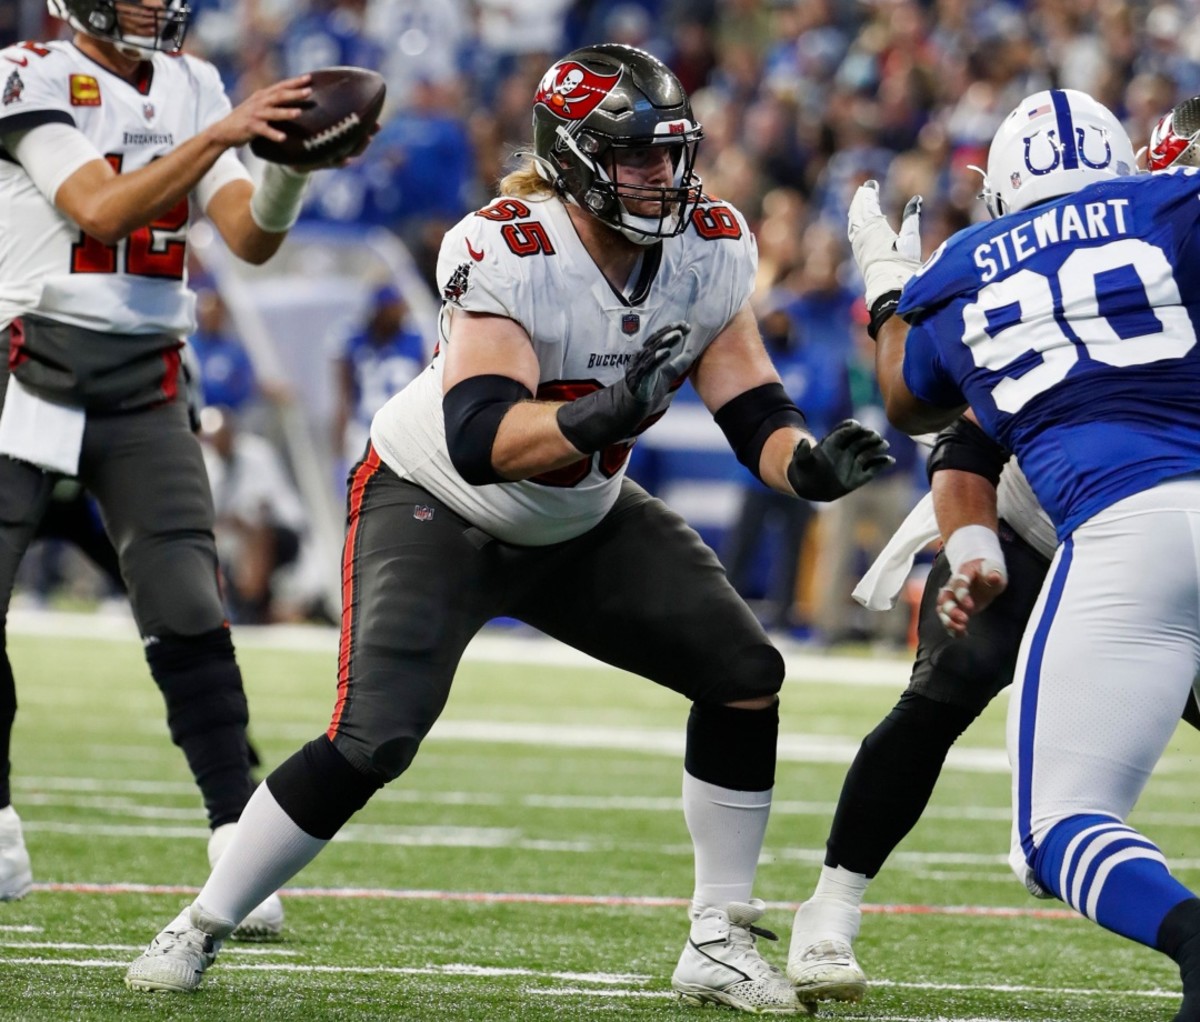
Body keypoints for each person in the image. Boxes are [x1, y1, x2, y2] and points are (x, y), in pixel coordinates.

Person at [124, 43, 893, 1012]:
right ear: (573, 156)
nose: (663, 176)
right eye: (636, 156)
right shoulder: (506, 245)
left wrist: (806, 464)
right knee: (373, 739)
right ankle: (201, 920)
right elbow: (484, 437)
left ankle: (716, 936)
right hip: (436, 501)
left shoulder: (709, 240)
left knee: (744, 675)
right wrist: (608, 411)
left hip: (580, 514)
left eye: (670, 153)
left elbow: (751, 407)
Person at [0, 0, 371, 930]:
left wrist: (288, 167)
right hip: (20, 363)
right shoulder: (27, 71)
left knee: (188, 603)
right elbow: (96, 205)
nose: (158, 3)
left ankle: (236, 840)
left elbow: (248, 236)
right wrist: (224, 135)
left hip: (144, 373)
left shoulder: (193, 82)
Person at [847, 86, 1200, 1022]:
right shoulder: (1169, 207)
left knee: (1057, 832)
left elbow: (908, 401)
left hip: (1130, 535)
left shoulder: (965, 266)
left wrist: (890, 296)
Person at [330, 282, 428, 478]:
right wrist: (338, 454)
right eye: (394, 307)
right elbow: (343, 398)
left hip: (404, 431)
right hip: (363, 431)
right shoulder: (353, 341)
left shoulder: (414, 339)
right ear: (379, 311)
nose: (401, 312)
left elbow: (425, 393)